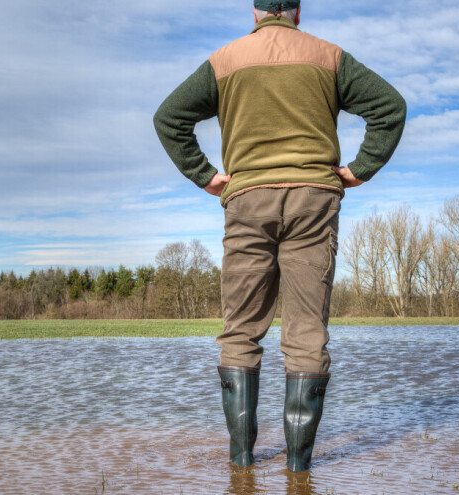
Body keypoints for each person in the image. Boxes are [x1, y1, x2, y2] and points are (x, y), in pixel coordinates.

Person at [153, 0, 406, 472]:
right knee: (307, 332)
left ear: (255, 13)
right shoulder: (328, 56)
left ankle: (242, 463)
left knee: (242, 330)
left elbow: (169, 117)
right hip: (315, 199)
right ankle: (298, 469)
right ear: (297, 11)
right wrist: (360, 170)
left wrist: (206, 176)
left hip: (247, 201)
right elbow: (390, 108)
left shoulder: (225, 61)